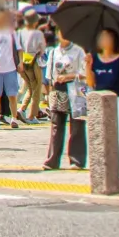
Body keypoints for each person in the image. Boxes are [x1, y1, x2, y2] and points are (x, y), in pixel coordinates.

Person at [43, 28, 87, 170]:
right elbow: (49, 76)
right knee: (56, 125)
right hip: (58, 89)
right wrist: (48, 94)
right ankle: (53, 160)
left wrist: (69, 76)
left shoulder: (79, 51)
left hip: (76, 88)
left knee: (77, 126)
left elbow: (84, 72)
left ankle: (77, 160)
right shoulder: (54, 52)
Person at [17, 9, 46, 123]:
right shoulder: (37, 33)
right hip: (33, 61)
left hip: (22, 62)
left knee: (30, 87)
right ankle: (31, 116)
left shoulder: (20, 32)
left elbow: (18, 47)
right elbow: (42, 49)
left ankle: (22, 109)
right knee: (37, 88)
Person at [85, 27, 119, 95]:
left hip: (117, 98)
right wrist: (88, 66)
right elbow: (90, 83)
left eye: (107, 37)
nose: (104, 40)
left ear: (114, 40)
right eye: (102, 37)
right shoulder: (94, 58)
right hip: (99, 98)